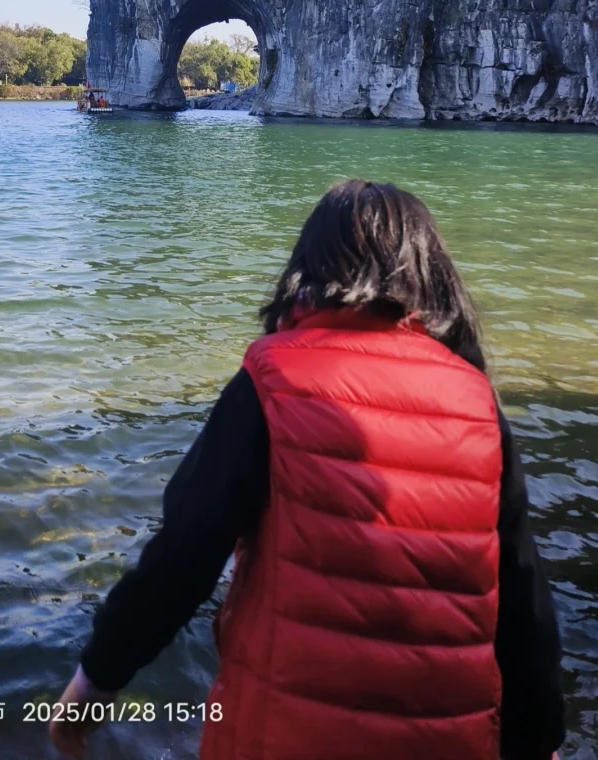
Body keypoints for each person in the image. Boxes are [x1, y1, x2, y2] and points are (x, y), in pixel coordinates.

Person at [49, 179, 565, 760]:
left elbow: (182, 559)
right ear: (433, 275)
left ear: (309, 268)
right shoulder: (476, 403)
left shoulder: (273, 381)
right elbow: (522, 600)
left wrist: (94, 684)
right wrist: (539, 739)